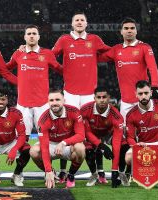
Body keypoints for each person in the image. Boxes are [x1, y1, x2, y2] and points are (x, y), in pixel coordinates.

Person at [52, 12, 111, 181]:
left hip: (89, 95)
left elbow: (111, 51)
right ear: (72, 24)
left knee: (94, 131)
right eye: (76, 20)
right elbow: (50, 56)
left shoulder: (94, 39)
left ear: (86, 23)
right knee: (67, 131)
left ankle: (99, 171)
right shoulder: (64, 39)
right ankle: (63, 171)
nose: (79, 22)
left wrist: (128, 46)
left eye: (82, 20)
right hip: (70, 93)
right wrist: (61, 70)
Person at [6, 24, 62, 136]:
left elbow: (60, 69)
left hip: (42, 103)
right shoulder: (18, 53)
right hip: (23, 104)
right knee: (22, 137)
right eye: (29, 34)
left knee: (46, 136)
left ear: (38, 37)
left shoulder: (47, 54)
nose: (32, 36)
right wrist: (18, 81)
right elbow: (5, 69)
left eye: (34, 34)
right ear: (25, 37)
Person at [98, 17, 158, 120]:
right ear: (121, 32)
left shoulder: (145, 47)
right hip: (125, 102)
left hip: (143, 99)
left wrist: (155, 87)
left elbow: (153, 68)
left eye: (132, 28)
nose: (129, 30)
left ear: (136, 31)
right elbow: (97, 58)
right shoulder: (116, 50)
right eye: (126, 28)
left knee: (146, 133)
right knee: (125, 133)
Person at [30, 89, 86, 188]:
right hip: (51, 145)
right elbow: (44, 146)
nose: (54, 103)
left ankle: (71, 175)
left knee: (81, 148)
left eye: (57, 99)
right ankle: (52, 172)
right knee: (34, 151)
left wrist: (64, 142)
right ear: (48, 102)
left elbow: (81, 135)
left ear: (64, 101)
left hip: (67, 145)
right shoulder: (43, 120)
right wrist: (48, 170)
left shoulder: (74, 111)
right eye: (51, 100)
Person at [81, 87, 129, 188]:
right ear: (94, 98)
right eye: (99, 97)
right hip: (92, 134)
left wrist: (114, 171)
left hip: (109, 134)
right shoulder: (85, 109)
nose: (102, 100)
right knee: (87, 150)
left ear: (109, 98)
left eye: (104, 97)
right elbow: (86, 132)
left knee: (124, 146)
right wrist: (101, 145)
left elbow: (116, 142)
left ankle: (120, 173)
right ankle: (94, 174)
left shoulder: (116, 115)